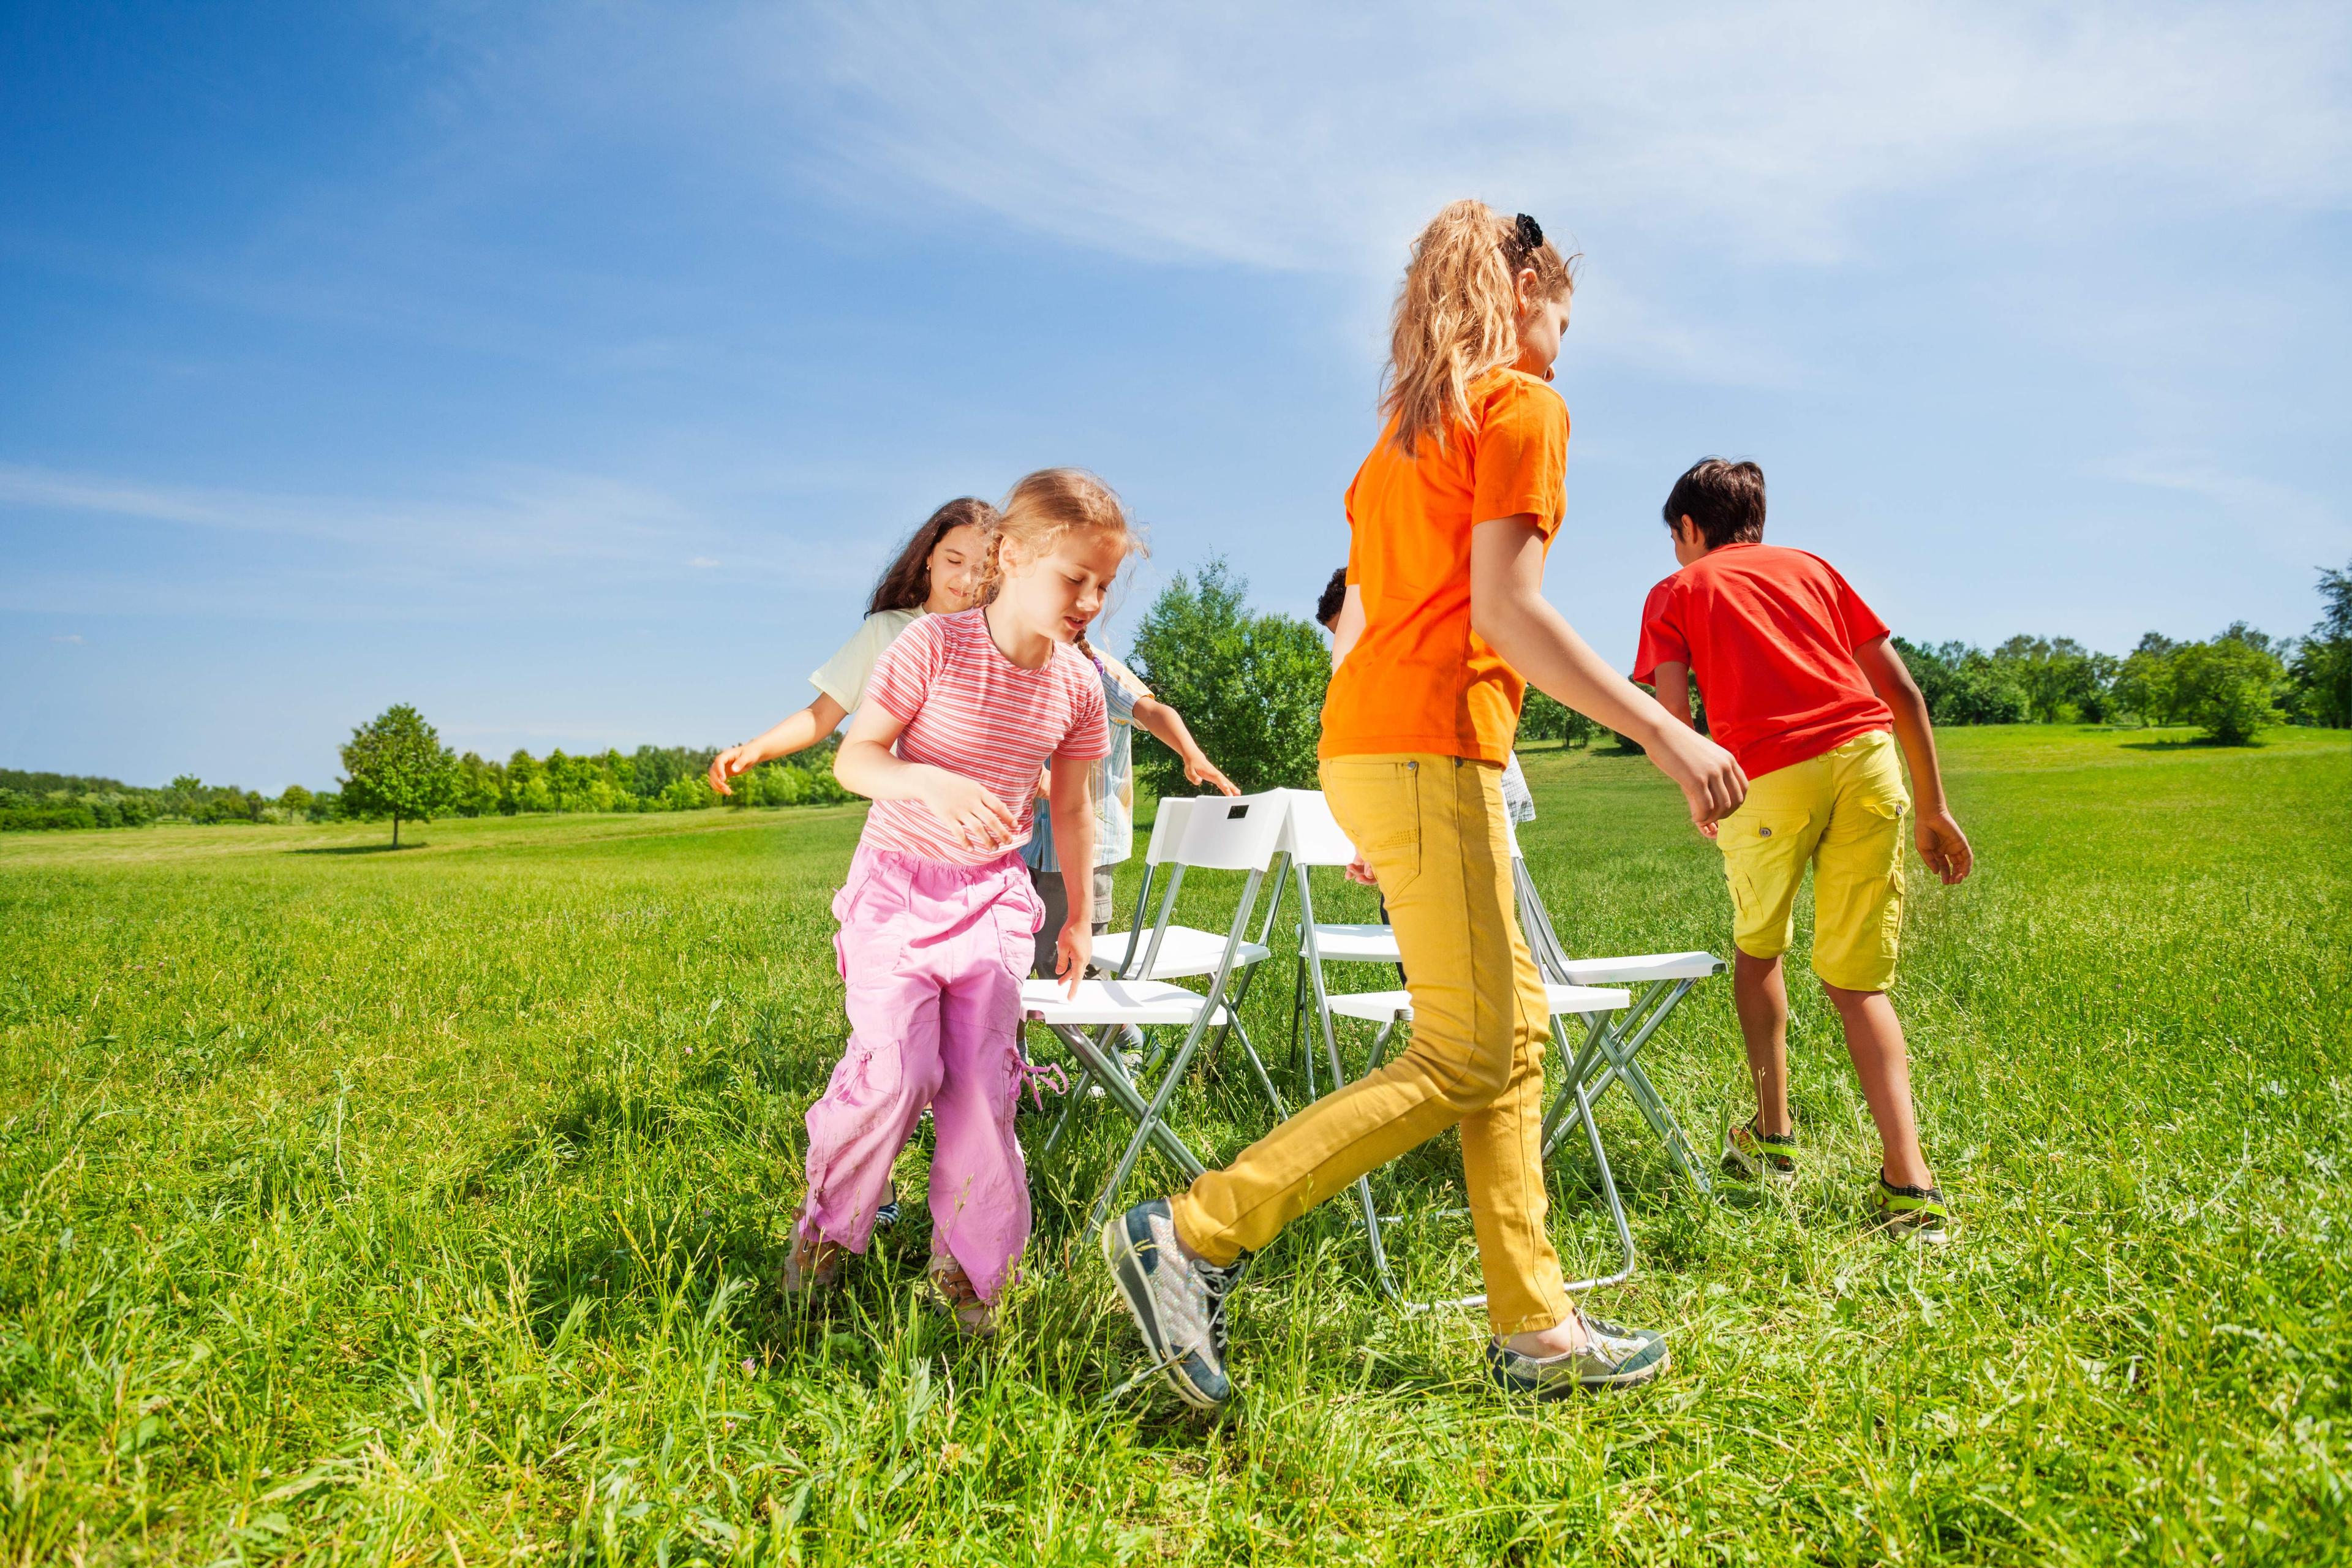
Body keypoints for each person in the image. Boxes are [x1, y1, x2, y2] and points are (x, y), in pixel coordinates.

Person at [1102, 201, 1747, 1407]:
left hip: (1383, 750)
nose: (1569, 336)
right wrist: (1663, 724)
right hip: (1429, 750)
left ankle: (1537, 1326)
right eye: (1564, 308)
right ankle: (1195, 1230)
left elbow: (1357, 631)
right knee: (1463, 1048)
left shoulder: (1395, 445)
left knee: (1511, 1030)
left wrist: (1375, 805)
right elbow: (1507, 612)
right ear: (1525, 294)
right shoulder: (1523, 409)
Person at [787, 469, 1129, 1336]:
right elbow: (854, 759)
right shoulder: (932, 647)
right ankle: (828, 1230)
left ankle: (972, 1279)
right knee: (896, 1073)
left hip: (991, 902)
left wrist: (1081, 916)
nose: (1090, 600)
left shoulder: (1077, 686)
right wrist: (930, 783)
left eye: (1105, 585)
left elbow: (1074, 807)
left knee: (982, 1087)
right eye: (1073, 579)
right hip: (898, 885)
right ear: (1010, 558)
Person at [1635, 458, 1972, 1242]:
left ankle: (1774, 1137)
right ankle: (1910, 1184)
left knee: (1759, 953)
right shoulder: (1814, 569)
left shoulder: (1678, 591)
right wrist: (1935, 808)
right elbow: (1905, 693)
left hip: (1769, 781)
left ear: (1688, 528)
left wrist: (1697, 789)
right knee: (1859, 984)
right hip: (1869, 761)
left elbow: (1673, 718)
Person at [705, 498, 993, 795]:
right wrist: (757, 749)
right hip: (907, 820)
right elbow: (821, 715)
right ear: (929, 557)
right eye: (954, 561)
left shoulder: (1000, 639)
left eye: (981, 568)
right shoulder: (886, 630)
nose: (966, 579)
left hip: (991, 820)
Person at [1025, 642, 1238, 980]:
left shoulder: (1094, 666)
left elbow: (1152, 711)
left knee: (1063, 962)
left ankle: (1120, 1035)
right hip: (1026, 841)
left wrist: (1190, 753)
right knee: (1010, 955)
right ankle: (1006, 1035)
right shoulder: (1019, 661)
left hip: (1083, 846)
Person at [1321, 565, 1535, 826]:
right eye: (1338, 637)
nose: (1348, 645)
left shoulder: (1420, 643)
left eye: (1349, 631)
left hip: (1474, 772)